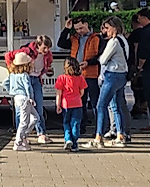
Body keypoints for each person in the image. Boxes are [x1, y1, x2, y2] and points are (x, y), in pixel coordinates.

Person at [89, 17, 131, 149]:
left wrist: (102, 58)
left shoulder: (113, 42)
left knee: (101, 106)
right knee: (116, 106)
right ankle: (120, 135)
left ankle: (98, 137)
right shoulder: (123, 40)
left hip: (111, 75)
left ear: (115, 27)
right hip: (122, 75)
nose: (105, 31)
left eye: (107, 28)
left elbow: (103, 60)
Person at [4, 35, 53, 144]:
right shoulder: (27, 51)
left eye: (48, 48)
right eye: (44, 48)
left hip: (36, 79)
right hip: (26, 77)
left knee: (38, 107)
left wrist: (42, 73)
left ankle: (41, 133)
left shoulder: (48, 55)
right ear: (38, 45)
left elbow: (47, 64)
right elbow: (8, 55)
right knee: (21, 110)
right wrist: (12, 71)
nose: (46, 50)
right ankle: (21, 136)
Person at [57, 17, 102, 116]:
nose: (79, 31)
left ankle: (100, 124)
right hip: (77, 75)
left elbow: (101, 56)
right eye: (77, 29)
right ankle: (82, 123)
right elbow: (61, 43)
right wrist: (66, 29)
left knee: (95, 102)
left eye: (81, 28)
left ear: (86, 24)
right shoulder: (74, 38)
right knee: (80, 102)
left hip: (92, 74)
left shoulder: (97, 38)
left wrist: (88, 63)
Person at [3, 52, 38, 152]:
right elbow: (28, 87)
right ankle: (18, 142)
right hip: (25, 98)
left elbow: (4, 83)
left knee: (35, 117)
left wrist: (11, 90)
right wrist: (31, 97)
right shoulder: (24, 75)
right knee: (25, 121)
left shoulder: (12, 75)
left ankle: (23, 135)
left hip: (17, 98)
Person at [55, 58, 88, 152]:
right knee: (76, 123)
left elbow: (59, 93)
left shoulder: (61, 78)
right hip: (77, 104)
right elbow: (82, 92)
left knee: (66, 122)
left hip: (66, 104)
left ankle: (68, 139)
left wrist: (58, 105)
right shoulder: (80, 78)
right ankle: (74, 142)